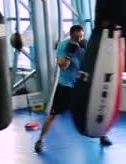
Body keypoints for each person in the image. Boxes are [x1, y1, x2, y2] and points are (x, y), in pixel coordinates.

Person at [34, 25, 112, 153]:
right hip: (66, 86)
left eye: (81, 36)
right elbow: (63, 66)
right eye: (77, 36)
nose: (79, 38)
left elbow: (94, 64)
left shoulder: (85, 45)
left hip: (82, 86)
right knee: (53, 115)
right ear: (71, 35)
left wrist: (89, 51)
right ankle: (40, 140)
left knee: (95, 112)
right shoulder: (63, 46)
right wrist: (70, 53)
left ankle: (103, 135)